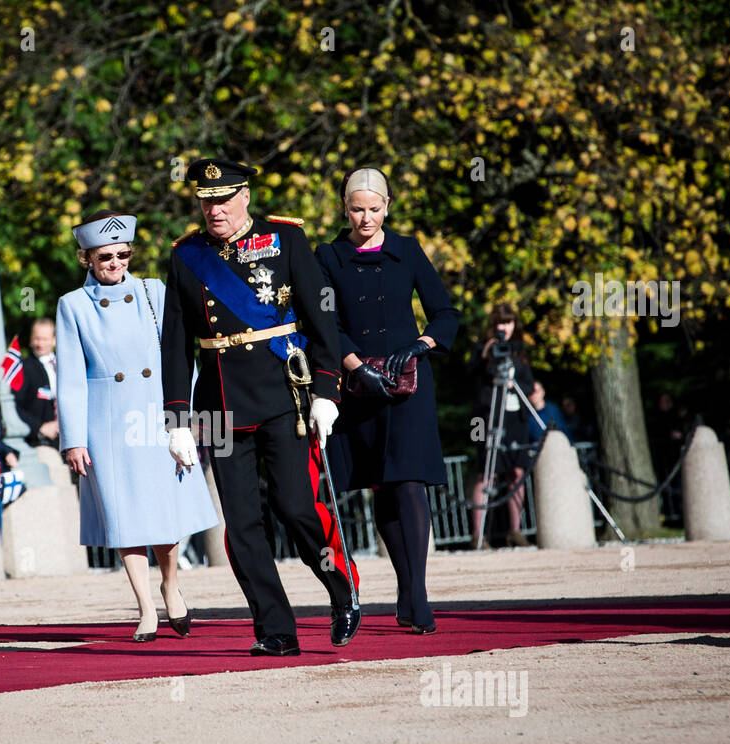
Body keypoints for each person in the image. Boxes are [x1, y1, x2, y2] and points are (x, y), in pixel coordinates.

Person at [161, 158, 360, 655]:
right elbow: (176, 345)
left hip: (282, 397)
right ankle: (275, 629)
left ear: (245, 196)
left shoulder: (286, 239)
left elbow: (320, 321)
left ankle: (341, 588)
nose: (215, 211)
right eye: (207, 202)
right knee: (243, 525)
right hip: (219, 406)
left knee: (296, 509)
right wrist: (176, 419)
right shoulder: (186, 256)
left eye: (224, 200)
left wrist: (328, 393)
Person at [57, 209, 218, 641]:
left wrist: (192, 418)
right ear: (86, 258)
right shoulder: (72, 306)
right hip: (106, 425)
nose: (115, 263)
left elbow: (180, 357)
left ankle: (170, 586)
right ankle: (145, 608)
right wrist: (73, 439)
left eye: (123, 254)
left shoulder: (154, 291)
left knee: (164, 513)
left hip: (157, 414)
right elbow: (69, 377)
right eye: (105, 256)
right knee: (124, 517)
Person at [315, 167, 460, 634]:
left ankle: (415, 593)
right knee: (381, 482)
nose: (365, 218)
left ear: (388, 206)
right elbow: (323, 323)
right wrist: (356, 365)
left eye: (374, 209)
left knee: (409, 483)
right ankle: (404, 585)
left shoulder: (409, 250)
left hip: (409, 384)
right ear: (344, 208)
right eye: (357, 209)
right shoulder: (327, 256)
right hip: (359, 386)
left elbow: (445, 312)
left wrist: (421, 345)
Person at [468, 303, 534, 548]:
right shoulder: (482, 349)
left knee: (517, 470)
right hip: (484, 417)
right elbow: (470, 376)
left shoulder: (519, 353)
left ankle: (515, 530)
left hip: (515, 416)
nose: (503, 328)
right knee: (486, 472)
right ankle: (478, 534)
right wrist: (485, 354)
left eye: (508, 322)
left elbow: (529, 384)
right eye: (499, 323)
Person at [14, 318, 59, 448]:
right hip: (40, 442)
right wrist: (39, 427)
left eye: (45, 339)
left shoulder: (65, 364)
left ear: (54, 340)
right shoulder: (23, 368)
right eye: (37, 339)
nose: (40, 344)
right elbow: (14, 405)